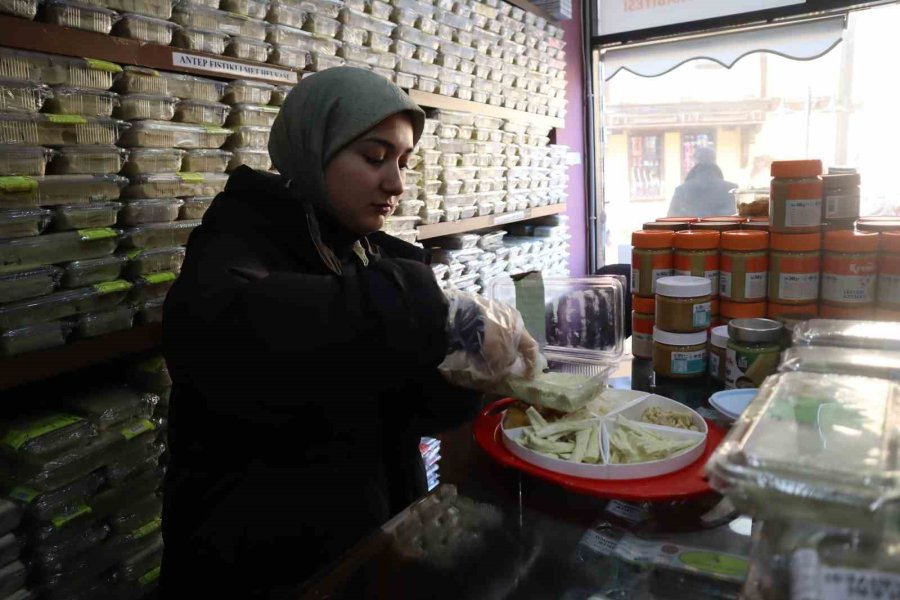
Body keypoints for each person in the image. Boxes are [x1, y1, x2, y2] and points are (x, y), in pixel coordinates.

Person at [159, 68, 540, 599]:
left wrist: (465, 374)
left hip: (368, 557)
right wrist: (439, 312)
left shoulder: (367, 252)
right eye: (374, 157)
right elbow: (244, 330)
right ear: (313, 147)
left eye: (404, 162)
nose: (397, 183)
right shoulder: (233, 247)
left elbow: (408, 404)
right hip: (260, 574)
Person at [667, 147, 738, 217]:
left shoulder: (681, 190)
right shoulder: (732, 189)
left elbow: (670, 221)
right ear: (714, 160)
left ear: (695, 161)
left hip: (690, 228)